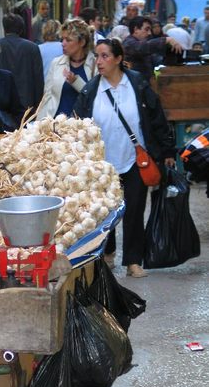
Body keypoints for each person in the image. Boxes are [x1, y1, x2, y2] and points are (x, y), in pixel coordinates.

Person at [73, 38, 176, 277]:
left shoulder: (137, 83)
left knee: (134, 210)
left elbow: (156, 117)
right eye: (97, 56)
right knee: (104, 211)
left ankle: (133, 261)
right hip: (102, 163)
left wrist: (168, 150)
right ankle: (107, 253)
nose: (99, 62)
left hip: (134, 159)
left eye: (105, 56)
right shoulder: (90, 90)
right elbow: (77, 123)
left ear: (119, 59)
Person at [37, 18, 95, 119]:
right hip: (56, 125)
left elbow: (96, 99)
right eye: (62, 39)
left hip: (83, 129)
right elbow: (47, 97)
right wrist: (40, 123)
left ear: (82, 42)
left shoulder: (95, 65)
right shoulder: (56, 63)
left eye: (68, 40)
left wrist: (76, 82)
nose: (63, 43)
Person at [0, 12, 44, 111]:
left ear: (4, 28)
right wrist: (38, 106)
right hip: (27, 104)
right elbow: (38, 79)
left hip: (2, 102)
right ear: (22, 29)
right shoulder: (32, 47)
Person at [123, 16, 183, 83]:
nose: (149, 33)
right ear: (136, 29)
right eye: (146, 29)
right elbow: (141, 48)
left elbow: (157, 61)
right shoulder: (128, 43)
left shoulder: (145, 44)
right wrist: (166, 40)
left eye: (150, 30)